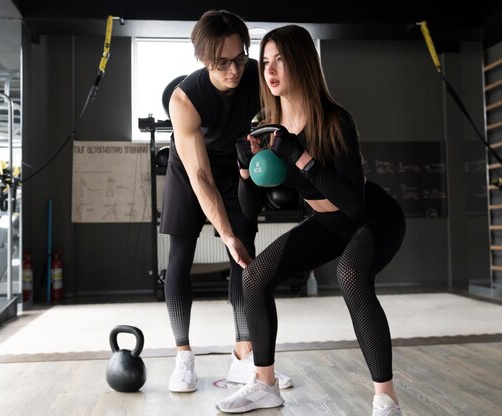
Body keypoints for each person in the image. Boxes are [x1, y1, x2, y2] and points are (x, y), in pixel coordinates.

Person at [216, 24, 406, 415]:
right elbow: (252, 211)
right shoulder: (266, 128)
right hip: (326, 224)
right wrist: (244, 170)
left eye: (280, 60)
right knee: (254, 276)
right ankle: (264, 385)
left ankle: (385, 398)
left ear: (301, 61)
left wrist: (301, 156)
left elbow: (352, 203)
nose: (270, 70)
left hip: (374, 218)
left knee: (351, 276)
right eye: (265, 61)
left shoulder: (335, 120)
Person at [160, 10, 292, 393]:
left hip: (236, 163)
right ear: (203, 59)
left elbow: (283, 115)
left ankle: (243, 355)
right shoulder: (185, 99)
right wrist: (223, 231)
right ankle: (184, 355)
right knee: (180, 255)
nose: (234, 70)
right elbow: (201, 176)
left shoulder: (256, 74)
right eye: (223, 63)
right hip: (190, 170)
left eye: (240, 59)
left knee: (244, 257)